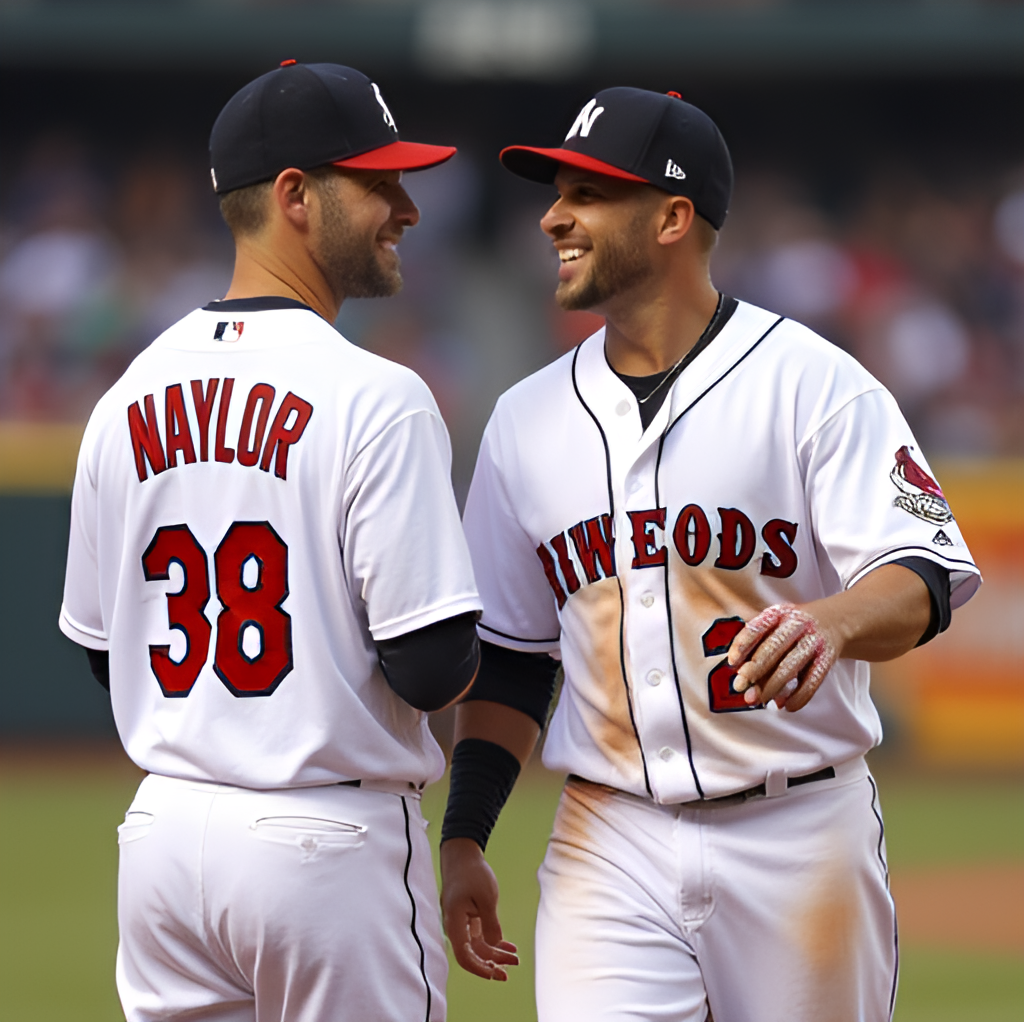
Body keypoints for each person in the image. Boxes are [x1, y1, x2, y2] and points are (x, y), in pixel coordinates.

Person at [439, 87, 981, 1022]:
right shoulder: (524, 422)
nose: (553, 215)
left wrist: (833, 620)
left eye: (588, 193)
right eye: (555, 190)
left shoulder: (813, 384)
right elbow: (513, 659)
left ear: (673, 217)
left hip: (800, 831)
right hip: (609, 835)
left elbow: (923, 573)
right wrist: (465, 835)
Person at [59, 61, 482, 1022]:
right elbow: (430, 666)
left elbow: (98, 648)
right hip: (327, 841)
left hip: (165, 840)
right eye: (377, 182)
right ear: (295, 195)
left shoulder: (126, 396)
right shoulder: (378, 394)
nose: (407, 207)